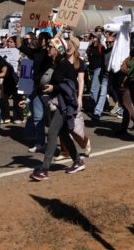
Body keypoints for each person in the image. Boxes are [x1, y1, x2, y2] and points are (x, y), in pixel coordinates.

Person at [29, 36, 85, 181]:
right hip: (56, 102)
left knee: (53, 133)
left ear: (58, 49)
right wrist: (27, 98)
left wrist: (55, 87)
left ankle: (44, 169)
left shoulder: (64, 64)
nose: (48, 48)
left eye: (51, 46)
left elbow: (71, 85)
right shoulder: (54, 64)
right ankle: (78, 161)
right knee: (64, 134)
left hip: (63, 104)